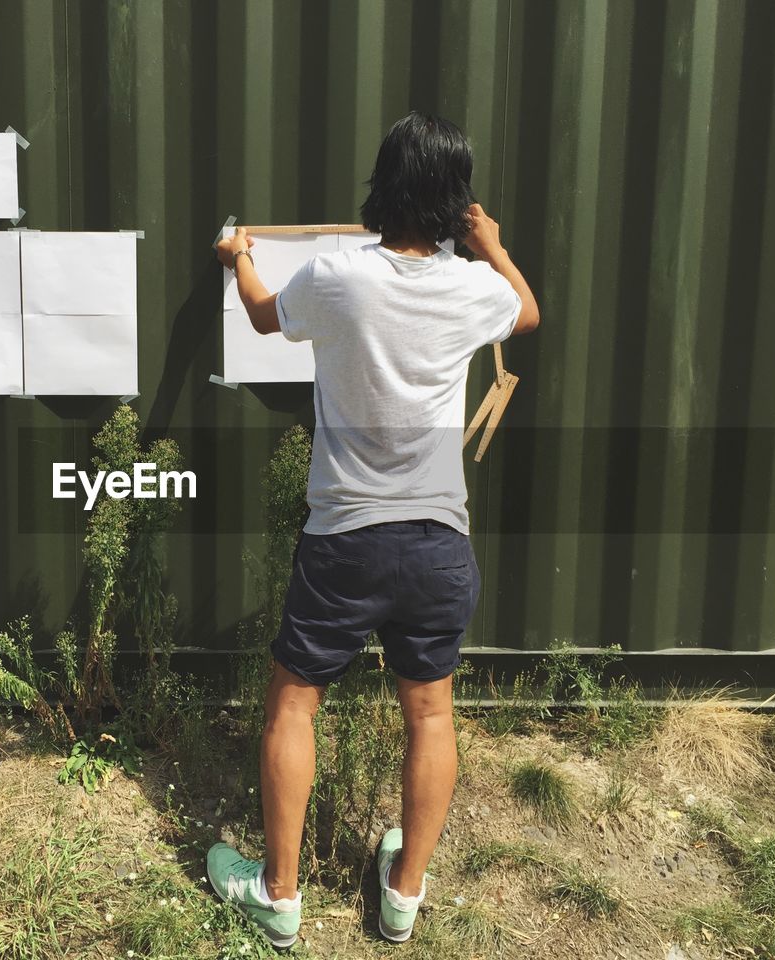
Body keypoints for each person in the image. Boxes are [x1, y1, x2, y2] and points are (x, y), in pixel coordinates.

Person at [205, 112, 540, 948]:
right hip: (437, 540)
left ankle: (280, 896)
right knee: (430, 715)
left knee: (294, 701)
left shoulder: (338, 277)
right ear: (458, 203)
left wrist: (237, 255)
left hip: (346, 538)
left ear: (381, 187)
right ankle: (403, 895)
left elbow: (259, 315)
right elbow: (526, 312)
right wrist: (490, 241)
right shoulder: (473, 288)